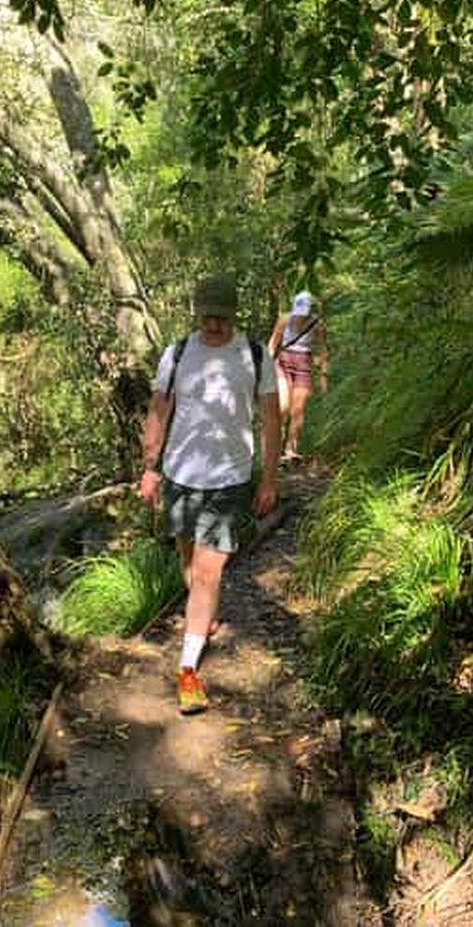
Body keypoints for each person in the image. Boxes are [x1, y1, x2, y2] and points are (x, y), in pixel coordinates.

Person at [139, 274, 281, 715]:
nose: (214, 325)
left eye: (222, 317)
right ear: (196, 314)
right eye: (207, 317)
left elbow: (271, 419)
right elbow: (159, 410)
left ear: (233, 316)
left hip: (229, 479)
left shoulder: (254, 355)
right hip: (180, 475)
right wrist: (150, 468)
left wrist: (268, 479)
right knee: (187, 560)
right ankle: (205, 618)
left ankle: (187, 670)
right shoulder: (177, 353)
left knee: (206, 573)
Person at [267, 289, 328, 462]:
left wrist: (323, 375)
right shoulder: (284, 320)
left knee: (298, 410)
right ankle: (275, 447)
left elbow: (323, 350)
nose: (301, 316)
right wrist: (267, 367)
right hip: (283, 362)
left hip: (304, 365)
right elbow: (272, 344)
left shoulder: (317, 324)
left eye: (304, 312)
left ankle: (291, 450)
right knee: (282, 408)